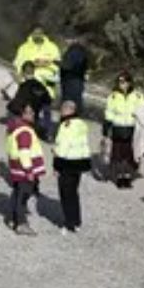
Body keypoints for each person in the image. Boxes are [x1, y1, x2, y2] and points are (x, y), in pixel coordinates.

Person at [51, 100, 92, 235]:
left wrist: (56, 165)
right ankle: (77, 221)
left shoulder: (66, 125)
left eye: (64, 108)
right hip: (79, 163)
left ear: (70, 110)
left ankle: (69, 223)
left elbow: (62, 147)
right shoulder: (81, 124)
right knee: (74, 193)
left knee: (65, 194)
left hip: (67, 164)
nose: (61, 111)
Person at [3, 110, 45, 234]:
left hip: (16, 168)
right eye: (30, 113)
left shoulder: (14, 128)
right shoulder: (25, 131)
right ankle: (21, 223)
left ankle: (11, 218)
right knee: (23, 196)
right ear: (22, 115)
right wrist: (29, 170)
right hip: (24, 169)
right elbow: (24, 152)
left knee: (16, 193)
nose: (33, 115)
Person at [103, 73, 144, 189]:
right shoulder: (113, 96)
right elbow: (109, 111)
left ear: (129, 82)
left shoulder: (138, 96)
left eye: (124, 82)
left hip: (132, 128)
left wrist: (142, 125)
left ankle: (127, 177)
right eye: (119, 82)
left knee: (130, 154)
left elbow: (142, 111)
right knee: (118, 154)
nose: (122, 84)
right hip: (118, 127)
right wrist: (106, 127)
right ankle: (119, 177)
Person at [12, 28, 60, 97]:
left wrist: (45, 64)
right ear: (31, 34)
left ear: (43, 34)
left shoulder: (53, 47)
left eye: (39, 33)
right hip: (26, 77)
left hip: (46, 79)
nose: (37, 35)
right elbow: (17, 63)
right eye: (35, 33)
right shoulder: (23, 48)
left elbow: (57, 65)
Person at [58, 38, 89, 106]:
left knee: (70, 102)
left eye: (68, 39)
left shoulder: (75, 51)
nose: (66, 41)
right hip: (75, 80)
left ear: (74, 40)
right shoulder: (80, 51)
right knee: (75, 101)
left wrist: (57, 62)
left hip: (72, 81)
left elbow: (68, 66)